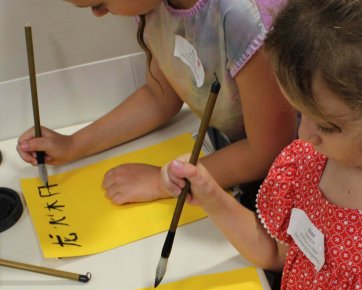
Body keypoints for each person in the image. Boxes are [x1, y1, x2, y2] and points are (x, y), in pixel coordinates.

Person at [161, 0, 362, 290]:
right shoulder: (308, 165)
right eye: (299, 114)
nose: (304, 135)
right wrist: (212, 196)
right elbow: (276, 253)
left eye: (327, 125)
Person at [16, 0, 296, 209]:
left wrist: (163, 183)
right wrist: (73, 145)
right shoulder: (152, 5)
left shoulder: (240, 16)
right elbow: (161, 94)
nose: (99, 13)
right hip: (236, 157)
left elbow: (269, 150)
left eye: (99, 2)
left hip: (297, 178)